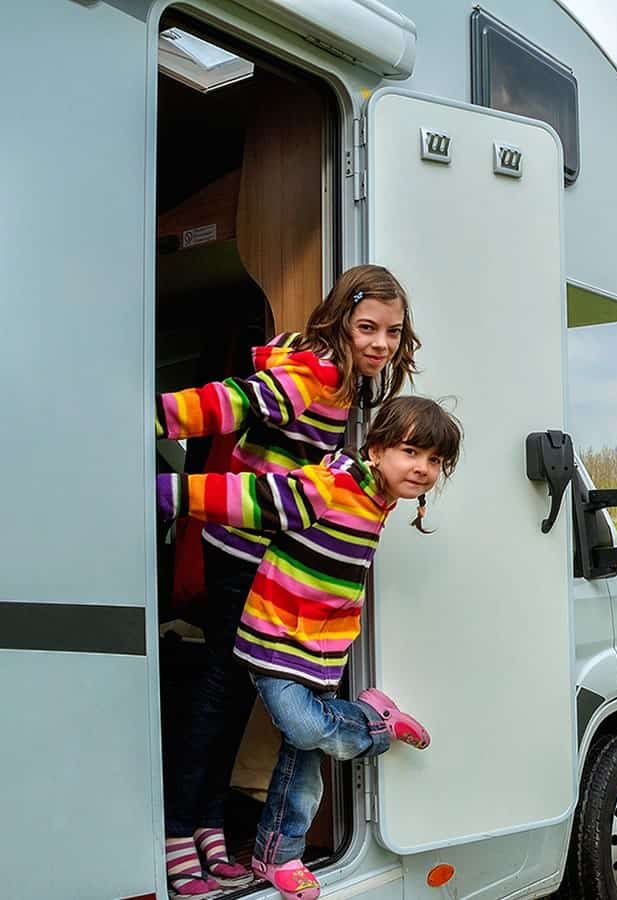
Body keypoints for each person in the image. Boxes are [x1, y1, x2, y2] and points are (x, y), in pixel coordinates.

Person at [157, 265, 420, 898]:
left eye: (393, 331)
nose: (381, 343)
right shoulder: (321, 372)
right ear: (342, 320)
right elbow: (235, 402)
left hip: (265, 548)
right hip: (240, 546)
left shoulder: (349, 380)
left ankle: (209, 823)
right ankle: (177, 828)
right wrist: (154, 418)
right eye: (368, 328)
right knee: (220, 691)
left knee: (237, 695)